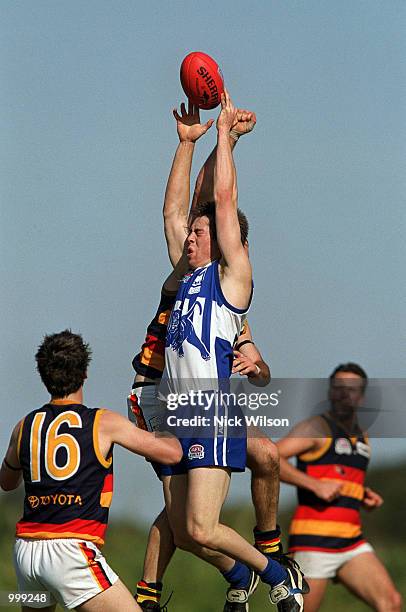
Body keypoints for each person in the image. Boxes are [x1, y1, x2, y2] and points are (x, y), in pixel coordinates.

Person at [152, 89, 306, 612]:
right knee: (187, 530)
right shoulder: (189, 276)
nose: (189, 235)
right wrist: (188, 143)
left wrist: (226, 138)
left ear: (221, 240)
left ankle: (276, 572)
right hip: (177, 412)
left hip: (210, 410)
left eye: (201, 231)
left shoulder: (230, 281)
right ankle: (244, 572)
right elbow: (173, 210)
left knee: (200, 522)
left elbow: (222, 203)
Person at [0, 330, 182, 612]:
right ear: (84, 373)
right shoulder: (103, 421)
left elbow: (7, 482)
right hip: (69, 552)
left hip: (26, 552)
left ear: (43, 374)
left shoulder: (24, 426)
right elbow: (172, 452)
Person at [277, 363, 402, 612]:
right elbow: (270, 459)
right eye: (338, 387)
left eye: (352, 389)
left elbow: (341, 477)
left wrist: (362, 494)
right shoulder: (315, 428)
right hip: (313, 541)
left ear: (362, 396)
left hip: (351, 541)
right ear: (330, 392)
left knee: (391, 603)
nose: (344, 394)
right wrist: (313, 484)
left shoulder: (362, 436)